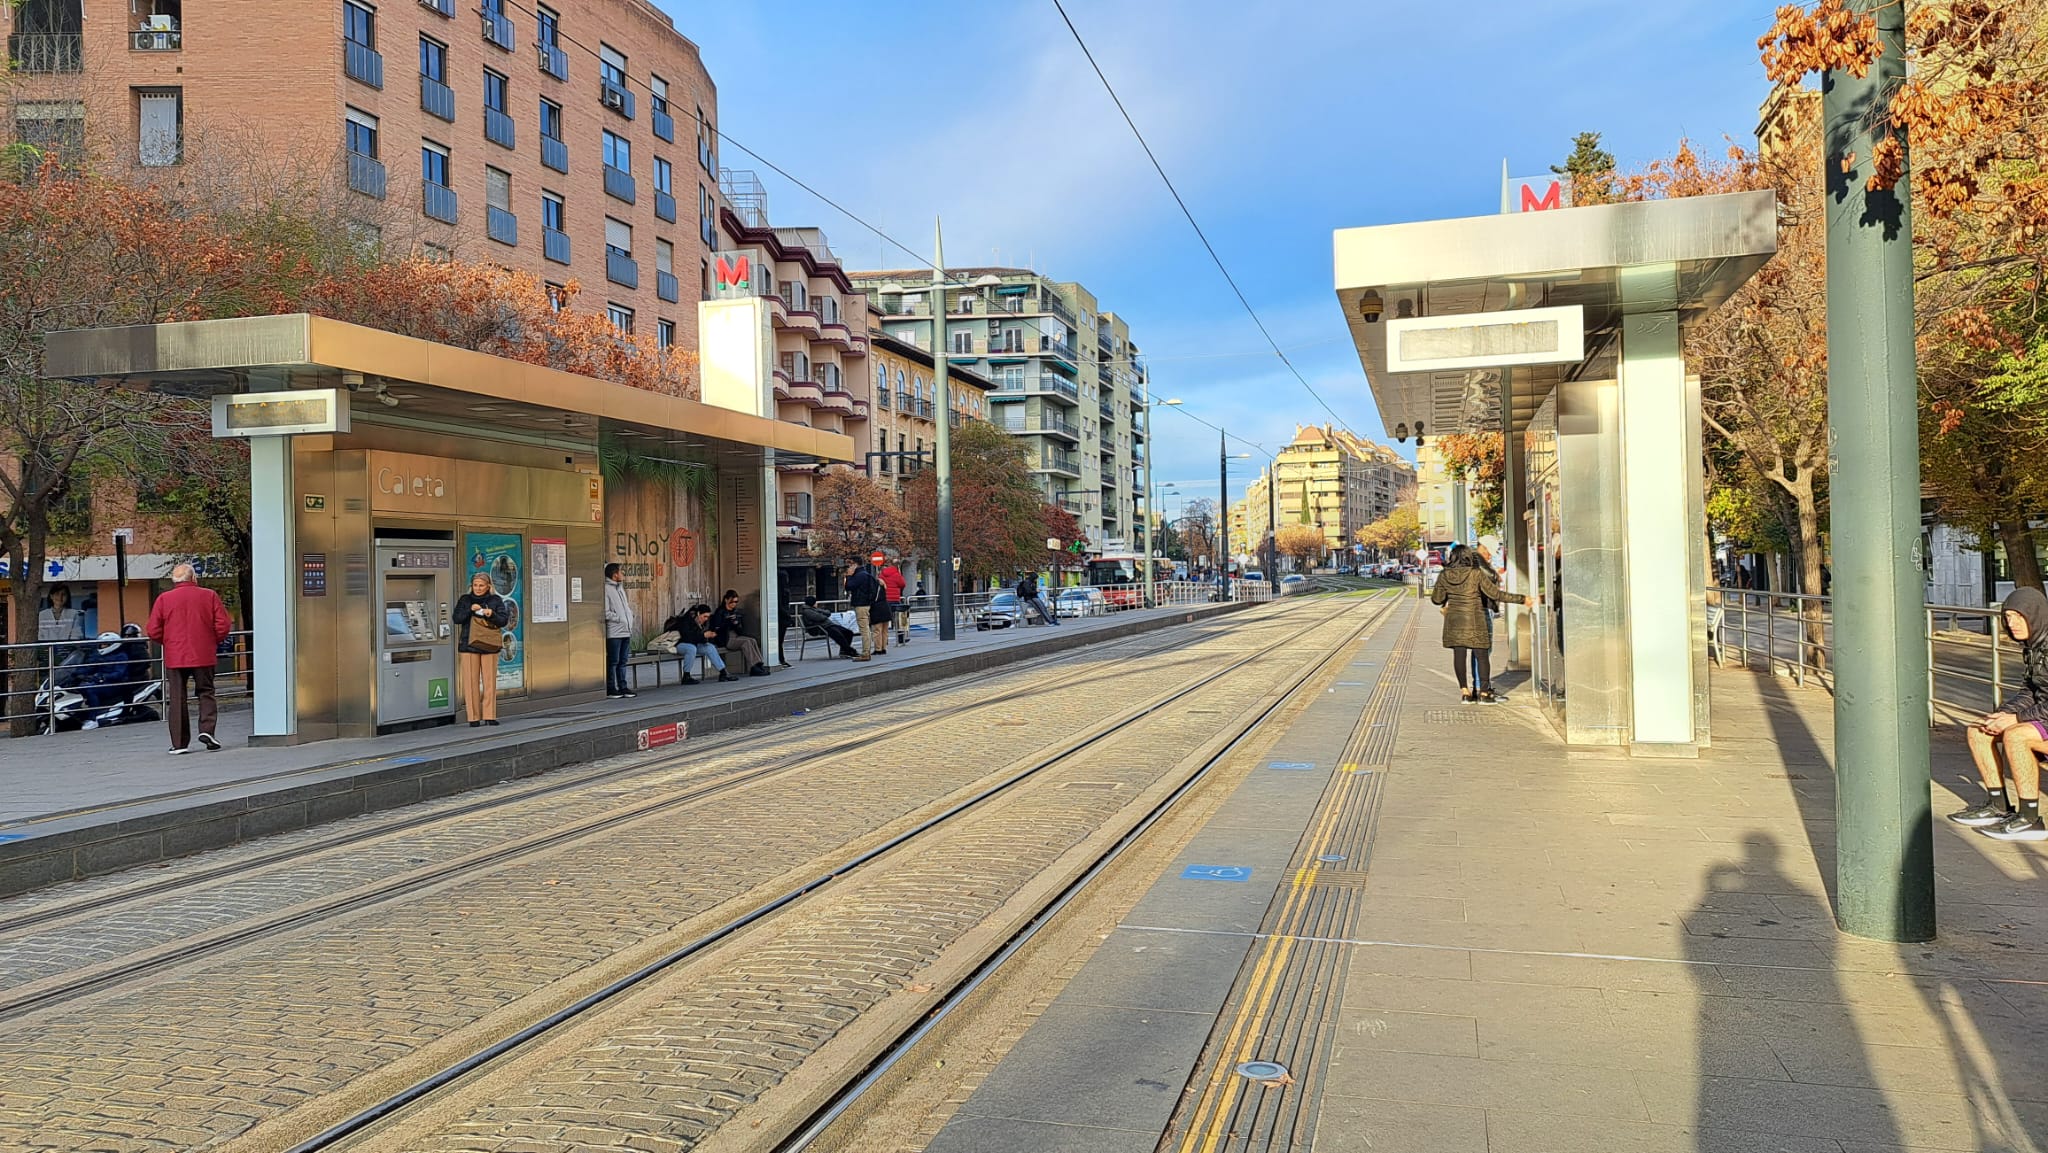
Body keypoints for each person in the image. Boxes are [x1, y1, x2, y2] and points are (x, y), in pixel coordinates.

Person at [1951, 587, 2048, 840]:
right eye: (2007, 617)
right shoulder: (2034, 645)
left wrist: (2016, 720)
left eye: (2018, 616)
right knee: (1979, 730)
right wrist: (2002, 714)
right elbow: (2030, 690)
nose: (2011, 623)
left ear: (2035, 615)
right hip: (2043, 716)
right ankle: (1999, 806)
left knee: (2017, 736)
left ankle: (2030, 819)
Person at [144, 563, 233, 753]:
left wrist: (168, 641)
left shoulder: (163, 599)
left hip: (175, 655)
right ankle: (207, 730)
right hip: (203, 653)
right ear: (194, 578)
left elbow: (152, 629)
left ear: (174, 581)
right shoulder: (209, 596)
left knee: (177, 697)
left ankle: (179, 743)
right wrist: (211, 640)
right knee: (206, 692)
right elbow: (223, 624)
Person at [1431, 549, 1524, 703]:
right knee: (1482, 657)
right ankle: (1483, 694)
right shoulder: (1476, 574)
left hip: (1454, 622)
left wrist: (1448, 592)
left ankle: (1465, 693)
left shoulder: (1444, 575)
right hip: (1476, 620)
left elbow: (1436, 599)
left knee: (1459, 656)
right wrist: (1521, 599)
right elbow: (1495, 594)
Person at [455, 572, 507, 725]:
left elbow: (503, 620)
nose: (478, 588)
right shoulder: (465, 599)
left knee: (489, 681)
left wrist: (490, 613)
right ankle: (473, 717)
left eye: (481, 585)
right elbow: (456, 618)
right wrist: (470, 610)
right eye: (475, 585)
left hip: (489, 645)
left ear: (488, 586)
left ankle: (490, 715)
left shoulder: (495, 600)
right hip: (468, 645)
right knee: (471, 682)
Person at [711, 589, 770, 676]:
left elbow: (740, 631)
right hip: (726, 638)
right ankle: (753, 667)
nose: (734, 604)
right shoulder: (720, 612)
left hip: (735, 636)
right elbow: (717, 627)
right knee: (746, 642)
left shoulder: (735, 612)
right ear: (726, 600)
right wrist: (728, 622)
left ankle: (759, 664)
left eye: (736, 602)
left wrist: (736, 623)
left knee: (752, 640)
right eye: (732, 601)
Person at [601, 563, 636, 700]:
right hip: (615, 632)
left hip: (625, 631)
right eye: (621, 572)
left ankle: (623, 686)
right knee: (613, 661)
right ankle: (611, 688)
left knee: (623, 660)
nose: (623, 574)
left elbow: (625, 607)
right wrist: (620, 619)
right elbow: (605, 612)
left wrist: (629, 616)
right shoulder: (606, 589)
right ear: (614, 574)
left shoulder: (620, 589)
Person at [682, 603, 737, 683]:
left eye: (708, 617)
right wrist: (703, 635)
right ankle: (686, 676)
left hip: (694, 643)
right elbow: (687, 637)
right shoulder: (687, 621)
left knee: (709, 647)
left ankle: (723, 672)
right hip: (681, 644)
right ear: (698, 614)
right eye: (704, 616)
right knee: (691, 648)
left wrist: (707, 636)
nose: (706, 619)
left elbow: (699, 639)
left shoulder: (702, 623)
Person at [845, 560, 884, 661]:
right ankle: (866, 651)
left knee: (864, 628)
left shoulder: (859, 576)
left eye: (849, 565)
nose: (848, 568)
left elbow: (849, 586)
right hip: (866, 603)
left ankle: (865, 652)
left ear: (855, 564)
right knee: (865, 627)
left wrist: (848, 576)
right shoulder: (866, 574)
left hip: (861, 604)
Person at [879, 560, 909, 646]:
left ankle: (884, 640)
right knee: (899, 620)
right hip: (895, 599)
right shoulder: (897, 574)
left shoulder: (882, 574)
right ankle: (901, 638)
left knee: (884, 620)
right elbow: (903, 584)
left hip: (884, 600)